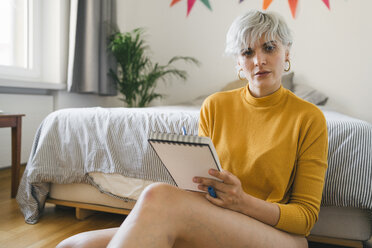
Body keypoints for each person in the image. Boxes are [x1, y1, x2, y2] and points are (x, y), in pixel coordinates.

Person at [57, 10, 328, 248]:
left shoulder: (309, 117)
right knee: (73, 245)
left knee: (157, 194)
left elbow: (304, 219)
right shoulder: (215, 105)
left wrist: (241, 201)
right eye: (247, 52)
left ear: (287, 53)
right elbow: (197, 185)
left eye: (269, 48)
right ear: (238, 63)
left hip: (276, 234)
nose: (258, 60)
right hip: (215, 216)